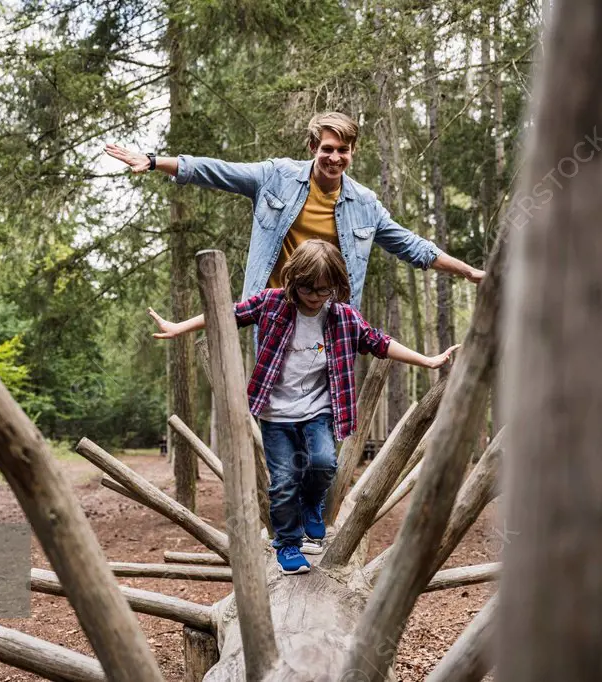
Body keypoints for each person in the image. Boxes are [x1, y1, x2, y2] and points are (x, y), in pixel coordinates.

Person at [148, 240, 459, 575]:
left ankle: (312, 504)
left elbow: (379, 342)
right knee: (283, 482)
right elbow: (227, 314)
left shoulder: (342, 318)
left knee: (325, 463)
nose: (313, 296)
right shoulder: (271, 304)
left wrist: (427, 360)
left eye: (322, 290)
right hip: (276, 415)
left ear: (334, 287)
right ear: (293, 280)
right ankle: (288, 544)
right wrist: (178, 327)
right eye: (306, 288)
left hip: (318, 410)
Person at [105, 111, 484, 311]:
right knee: (274, 412)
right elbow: (218, 170)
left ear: (353, 152)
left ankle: (318, 462)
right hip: (273, 309)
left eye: (343, 150)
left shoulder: (365, 204)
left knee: (322, 419)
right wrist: (155, 161)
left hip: (329, 317)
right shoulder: (276, 177)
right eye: (327, 149)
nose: (335, 158)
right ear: (312, 147)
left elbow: (413, 247)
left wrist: (468, 272)